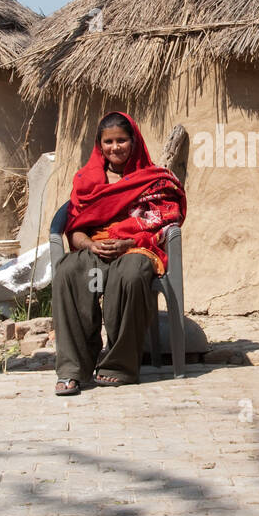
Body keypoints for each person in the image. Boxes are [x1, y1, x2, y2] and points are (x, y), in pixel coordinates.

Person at [53, 112, 186, 396]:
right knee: (68, 270)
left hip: (136, 246)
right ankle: (73, 369)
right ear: (99, 145)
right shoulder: (87, 181)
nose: (116, 147)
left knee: (132, 273)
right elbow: (74, 229)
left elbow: (164, 223)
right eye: (108, 141)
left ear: (134, 141)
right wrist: (90, 245)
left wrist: (127, 243)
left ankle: (119, 365)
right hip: (96, 247)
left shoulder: (154, 180)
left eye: (122, 140)